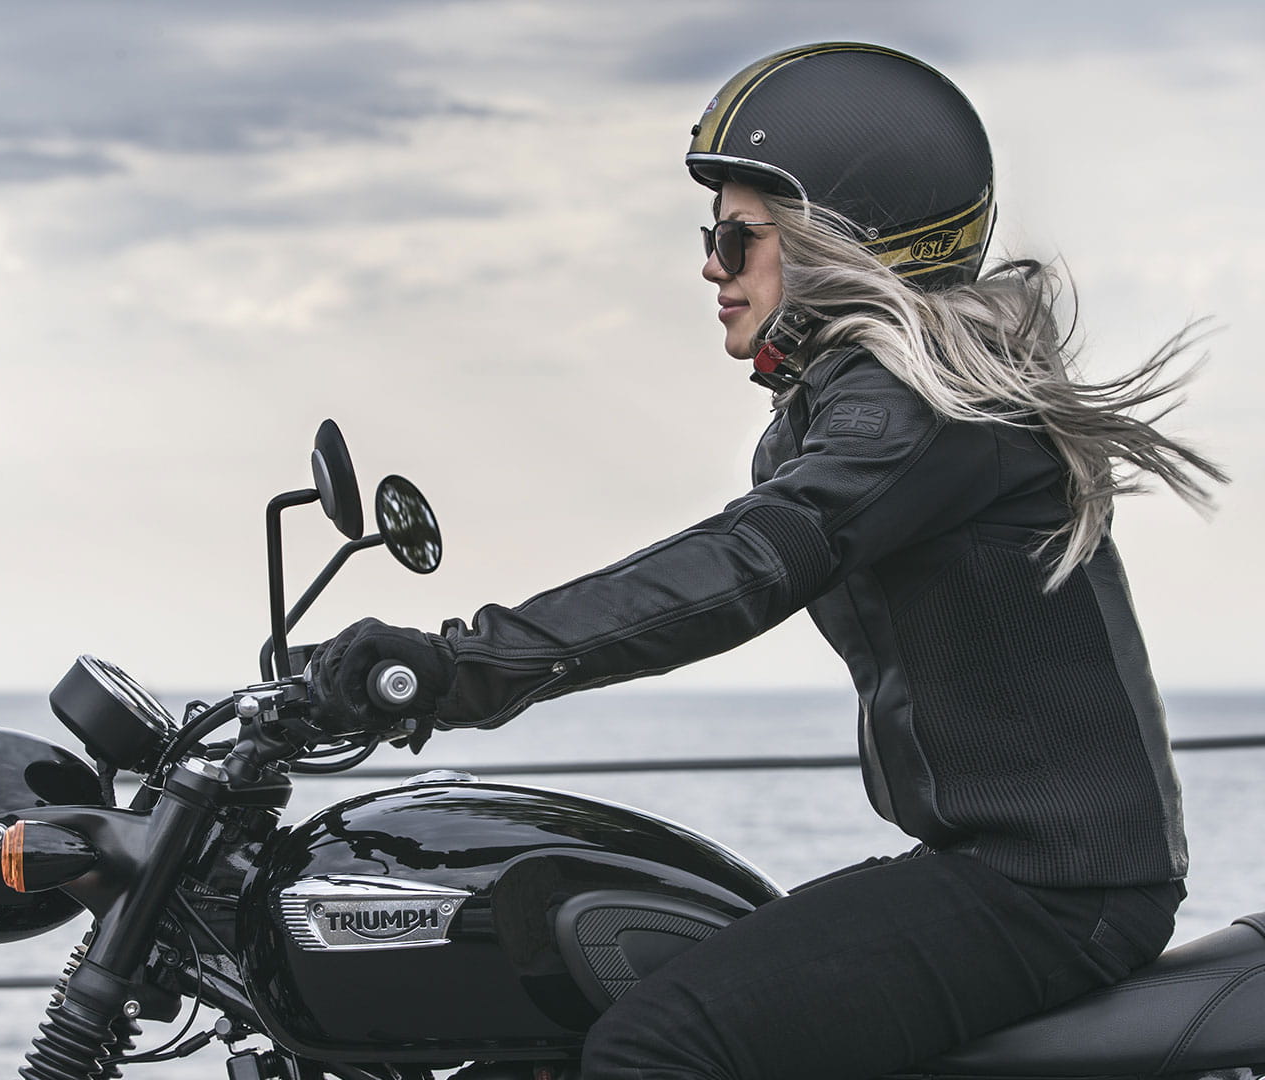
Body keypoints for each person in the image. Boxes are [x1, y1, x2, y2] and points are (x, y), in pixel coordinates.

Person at [309, 42, 1227, 1080]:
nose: (711, 264)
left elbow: (743, 567)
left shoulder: (917, 413)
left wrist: (455, 666)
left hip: (1053, 889)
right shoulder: (859, 407)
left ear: (844, 241)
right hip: (1001, 868)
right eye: (713, 236)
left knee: (659, 1044)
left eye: (738, 238)